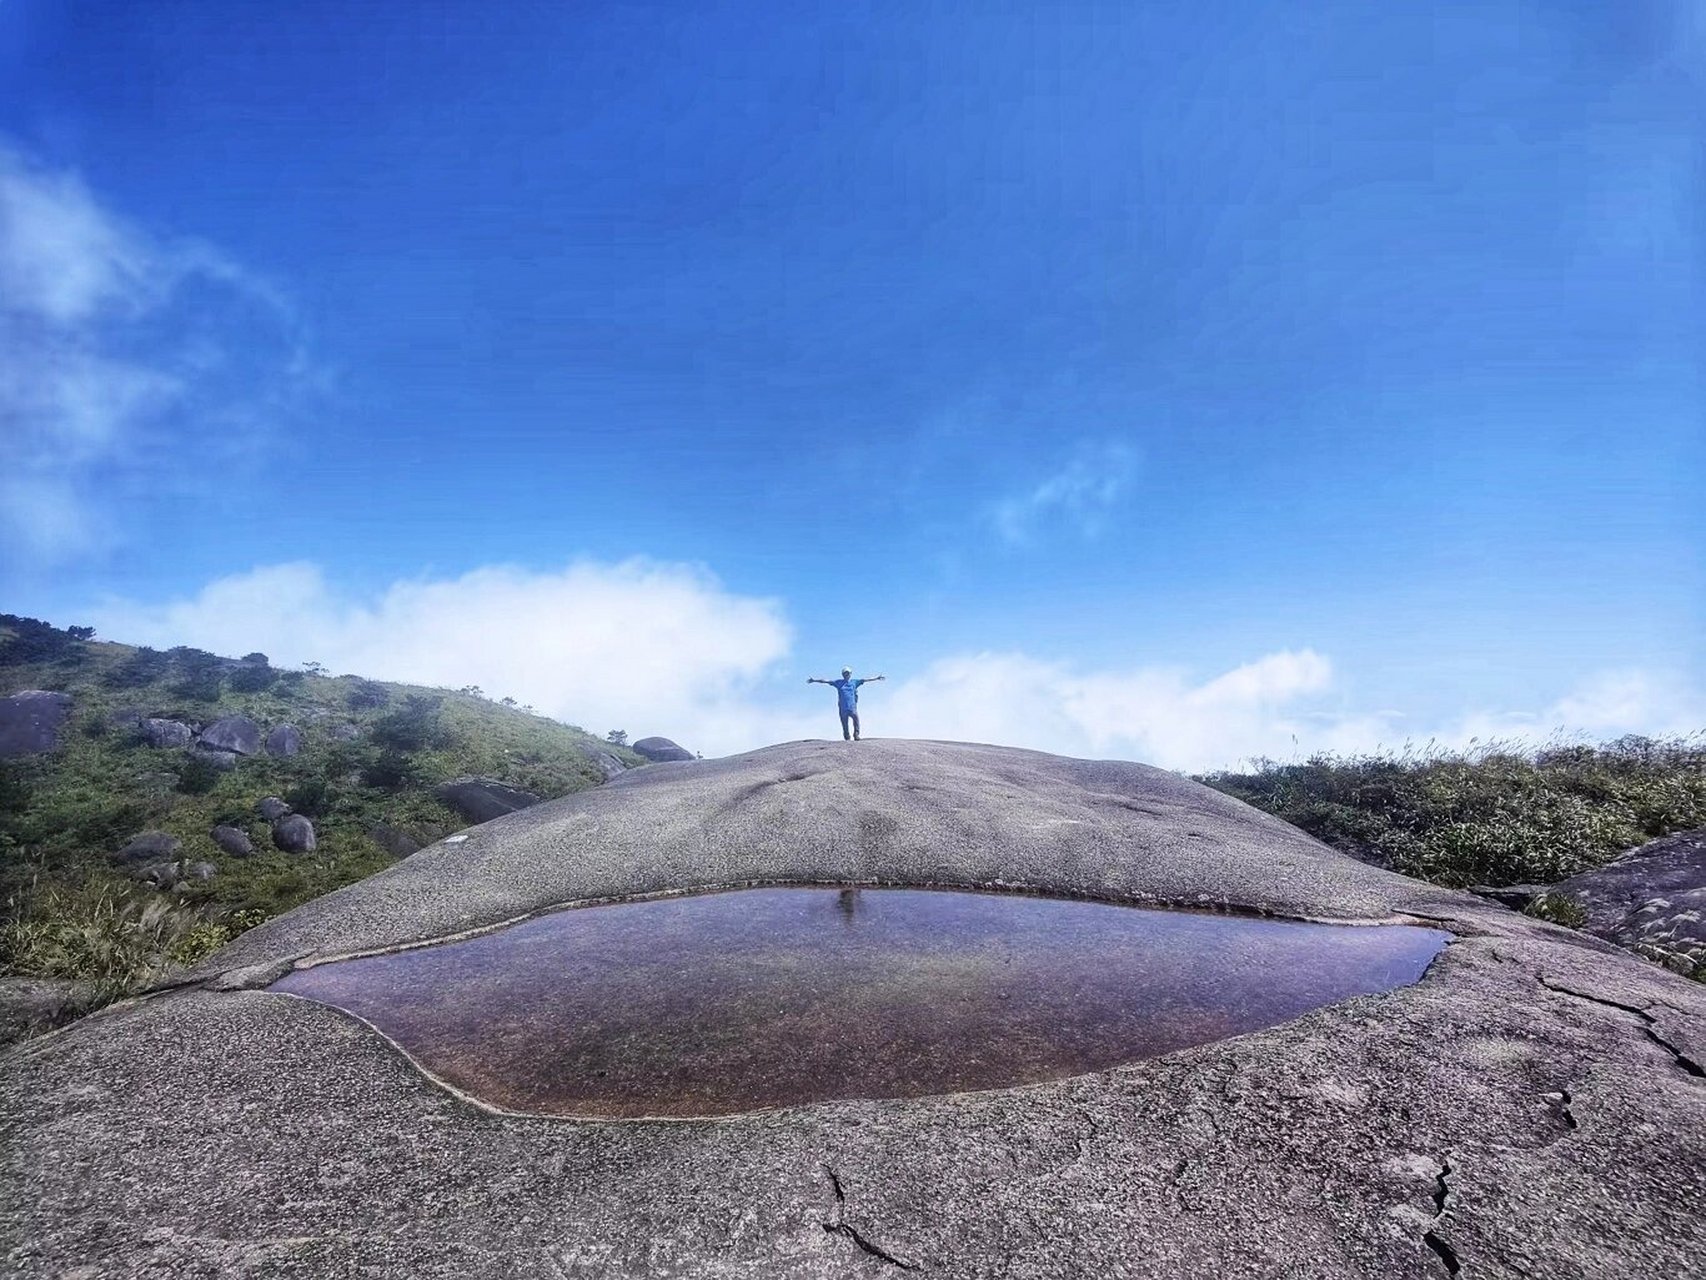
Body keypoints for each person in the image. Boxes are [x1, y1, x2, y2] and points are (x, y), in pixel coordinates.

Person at [807, 666, 885, 741]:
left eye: (848, 673)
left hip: (852, 707)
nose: (846, 675)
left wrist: (877, 678)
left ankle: (856, 735)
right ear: (842, 675)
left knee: (856, 720)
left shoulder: (854, 682)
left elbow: (865, 680)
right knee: (844, 723)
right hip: (842, 707)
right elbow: (826, 681)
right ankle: (847, 737)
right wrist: (814, 680)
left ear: (850, 674)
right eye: (845, 673)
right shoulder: (838, 682)